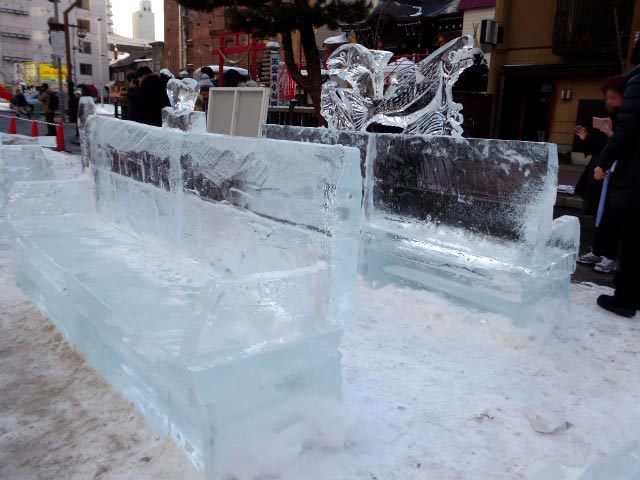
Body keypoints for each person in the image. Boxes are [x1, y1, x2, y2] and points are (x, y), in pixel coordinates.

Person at [593, 40, 640, 317]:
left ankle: (625, 299)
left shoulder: (636, 82)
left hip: (636, 176)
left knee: (632, 235)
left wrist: (603, 161)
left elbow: (628, 128)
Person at [574, 75, 626, 273]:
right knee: (600, 213)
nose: (609, 102)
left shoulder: (628, 119)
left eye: (613, 97)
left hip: (619, 175)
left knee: (612, 216)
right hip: (601, 173)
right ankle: (598, 250)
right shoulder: (611, 116)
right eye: (608, 98)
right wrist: (587, 138)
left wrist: (611, 134)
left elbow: (625, 145)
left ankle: (611, 256)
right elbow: (600, 146)